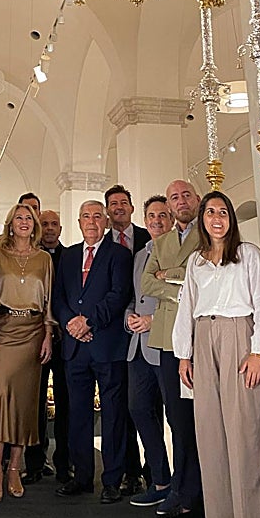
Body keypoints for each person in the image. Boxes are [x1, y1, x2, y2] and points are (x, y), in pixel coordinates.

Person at [173, 191, 260, 518]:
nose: (216, 218)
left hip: (240, 338)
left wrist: (259, 351)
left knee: (246, 438)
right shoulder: (196, 261)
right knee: (212, 439)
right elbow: (187, 306)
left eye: (223, 212)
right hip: (204, 340)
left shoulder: (248, 254)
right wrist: (184, 354)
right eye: (210, 212)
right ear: (202, 219)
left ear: (231, 219)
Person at [53, 200, 132, 503]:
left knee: (113, 416)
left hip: (107, 346)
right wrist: (70, 323)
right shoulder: (69, 255)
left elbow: (118, 295)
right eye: (86, 216)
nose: (91, 221)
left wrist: (88, 322)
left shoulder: (119, 255)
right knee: (78, 415)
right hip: (75, 348)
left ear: (106, 221)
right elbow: (58, 297)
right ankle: (82, 477)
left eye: (97, 216)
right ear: (79, 222)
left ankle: (112, 480)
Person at [141, 179, 202, 518]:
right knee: (177, 418)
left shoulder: (207, 235)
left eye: (185, 195)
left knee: (201, 419)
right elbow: (146, 282)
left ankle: (199, 491)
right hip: (167, 339)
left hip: (200, 335)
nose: (180, 201)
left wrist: (171, 275)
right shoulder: (160, 241)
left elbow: (201, 276)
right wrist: (180, 286)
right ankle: (182, 489)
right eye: (174, 197)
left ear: (197, 199)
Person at [0, 203, 54, 502]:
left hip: (33, 332)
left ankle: (14, 468)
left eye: (29, 218)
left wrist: (48, 334)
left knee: (25, 405)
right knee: (1, 399)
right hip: (3, 330)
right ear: (10, 224)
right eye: (18, 218)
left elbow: (49, 299)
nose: (24, 222)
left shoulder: (44, 258)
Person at [125, 195, 173, 507]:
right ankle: (161, 480)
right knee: (139, 409)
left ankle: (187, 485)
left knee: (177, 419)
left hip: (167, 345)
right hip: (138, 347)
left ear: (171, 220)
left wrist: (153, 321)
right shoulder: (141, 254)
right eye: (151, 216)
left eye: (162, 215)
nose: (156, 220)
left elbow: (183, 297)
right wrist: (129, 317)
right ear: (145, 221)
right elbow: (135, 297)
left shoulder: (181, 252)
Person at [105, 183, 150, 496]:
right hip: (114, 334)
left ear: (132, 208)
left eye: (123, 202)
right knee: (123, 407)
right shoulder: (101, 244)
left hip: (149, 331)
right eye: (113, 204)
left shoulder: (150, 237)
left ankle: (155, 471)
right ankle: (131, 471)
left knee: (148, 407)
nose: (119, 207)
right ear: (107, 211)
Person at [23, 209, 71, 485]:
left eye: (54, 224)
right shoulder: (30, 258)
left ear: (61, 229)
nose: (50, 228)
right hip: (33, 337)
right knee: (34, 401)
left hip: (64, 341)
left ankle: (65, 463)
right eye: (45, 224)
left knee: (66, 403)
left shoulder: (72, 256)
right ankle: (34, 462)